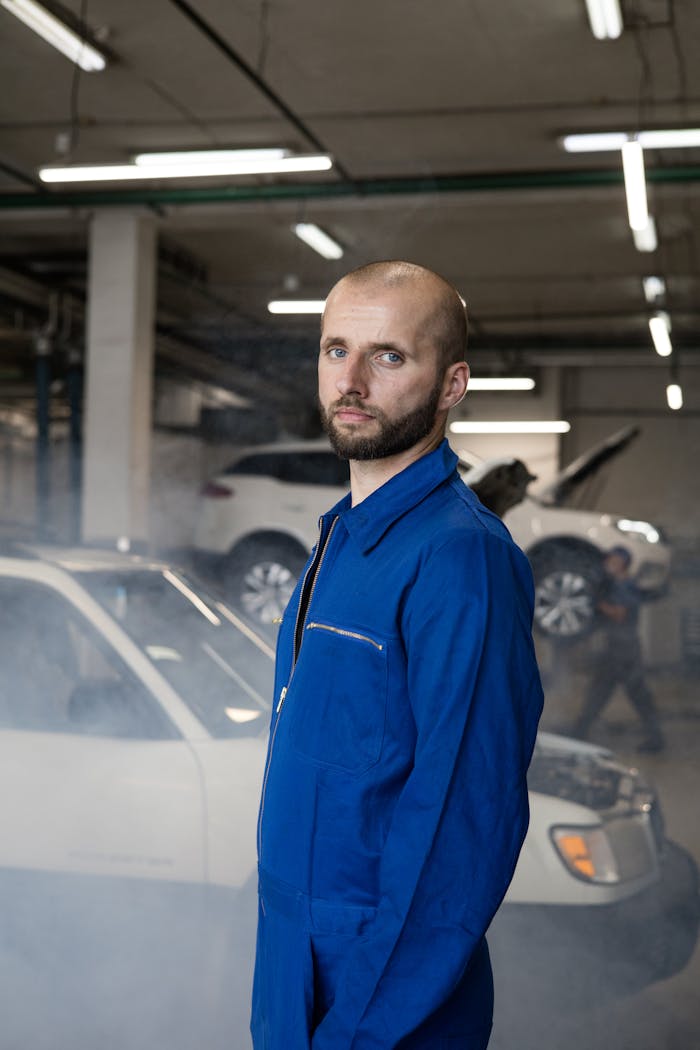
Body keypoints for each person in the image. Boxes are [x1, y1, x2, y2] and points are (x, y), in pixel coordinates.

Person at [251, 260, 544, 1050]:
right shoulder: (340, 538)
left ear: (452, 385)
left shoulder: (458, 558)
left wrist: (361, 1029)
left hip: (381, 980)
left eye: (388, 356)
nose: (350, 380)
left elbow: (463, 824)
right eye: (334, 349)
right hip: (292, 950)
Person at [574, 545, 664, 752]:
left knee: (636, 693)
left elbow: (619, 614)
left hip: (625, 649)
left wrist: (598, 603)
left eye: (611, 560)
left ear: (621, 563)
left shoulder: (625, 585)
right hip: (616, 647)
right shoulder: (615, 584)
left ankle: (656, 738)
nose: (607, 564)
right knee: (600, 690)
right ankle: (580, 730)